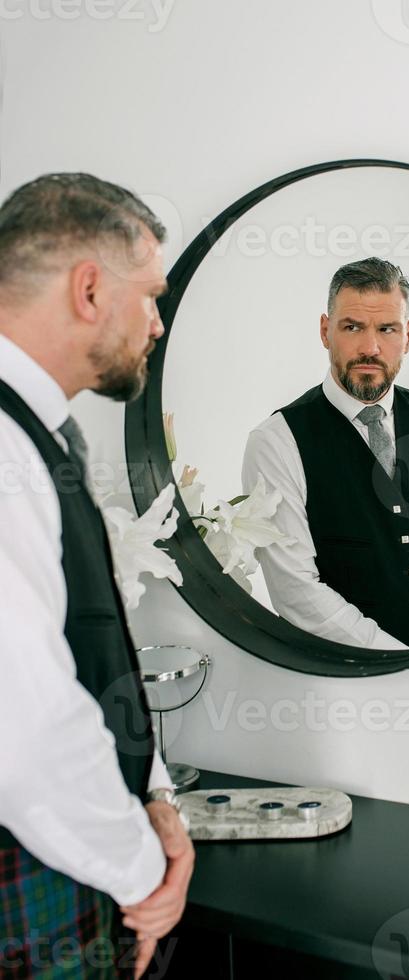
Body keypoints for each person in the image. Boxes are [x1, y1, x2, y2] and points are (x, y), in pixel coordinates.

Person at [0, 174, 194, 978]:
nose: (156, 323)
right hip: (36, 871)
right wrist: (142, 872)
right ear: (88, 289)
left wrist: (154, 801)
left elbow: (92, 641)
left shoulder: (41, 435)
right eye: (150, 295)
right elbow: (22, 728)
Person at [242, 257, 409, 650]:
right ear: (326, 331)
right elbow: (296, 591)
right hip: (345, 687)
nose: (370, 347)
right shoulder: (276, 442)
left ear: (408, 336)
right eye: (352, 327)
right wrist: (398, 664)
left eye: (387, 329)